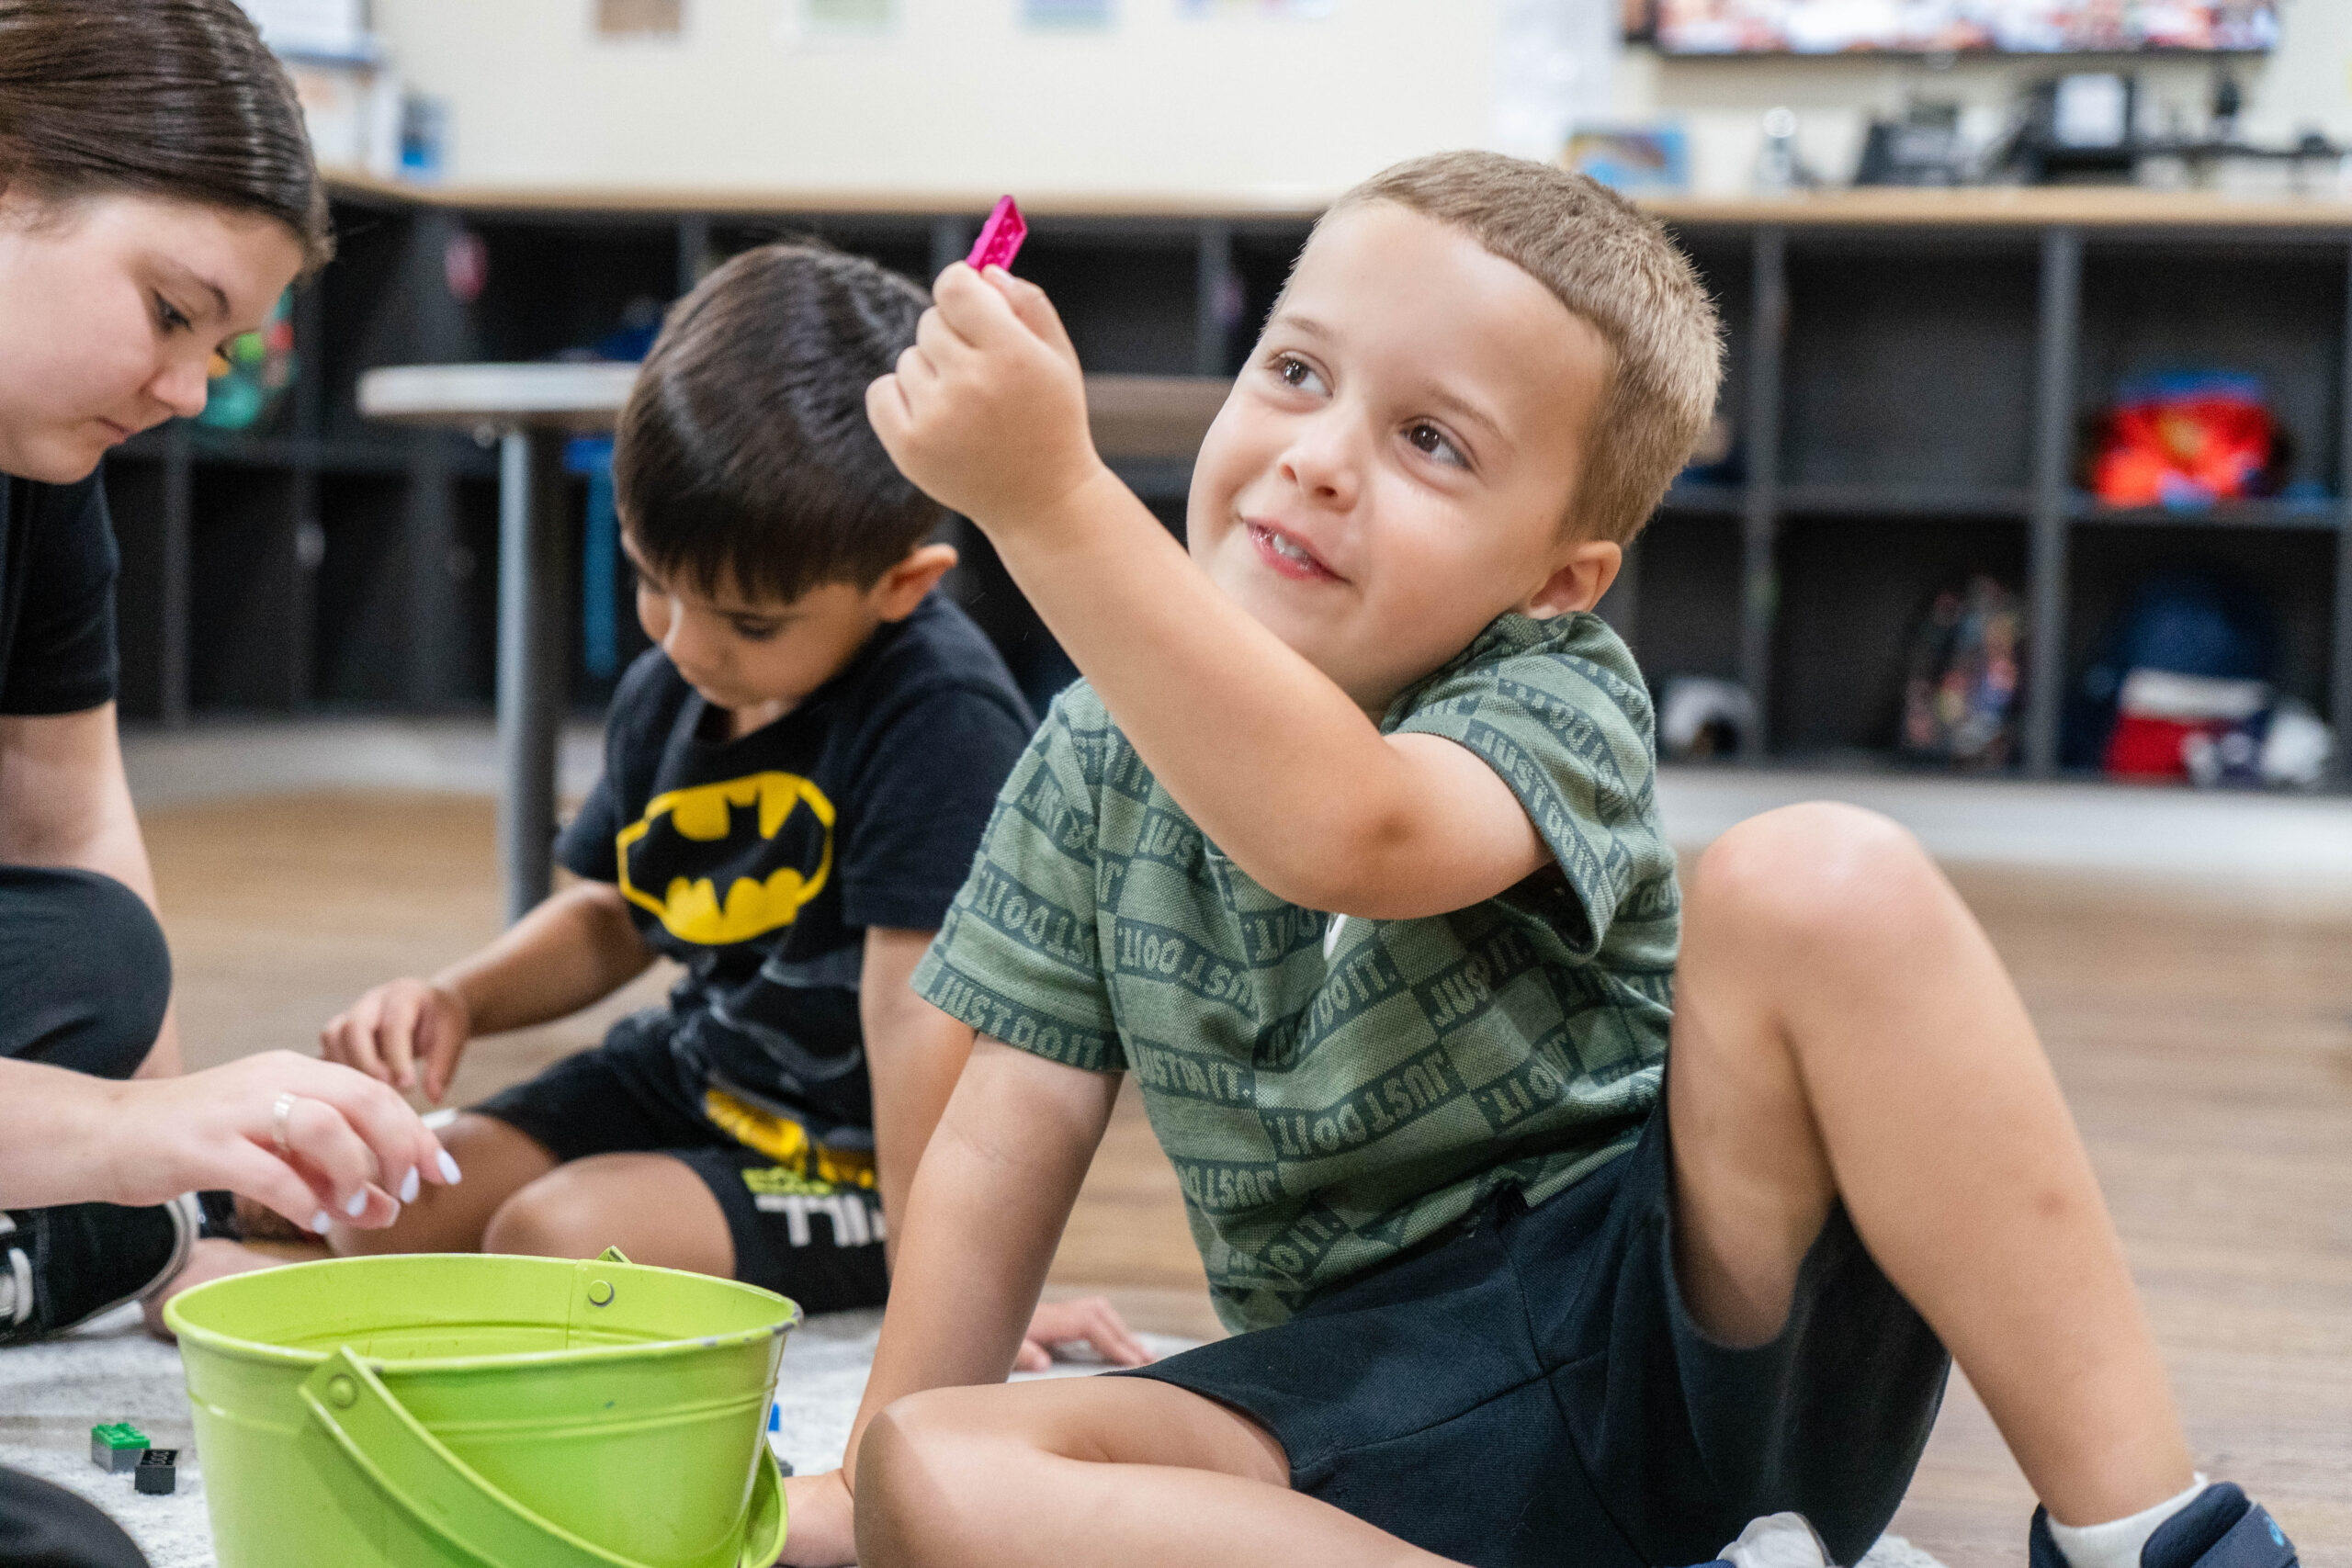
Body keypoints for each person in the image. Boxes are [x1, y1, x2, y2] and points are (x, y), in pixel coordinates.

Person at [775, 152, 2300, 1568]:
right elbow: (1001, 1131)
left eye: (1431, 442)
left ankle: (2153, 1538)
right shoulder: (1087, 755)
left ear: (1560, 578)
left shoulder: (1546, 687)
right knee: (938, 1467)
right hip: (1369, 1396)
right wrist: (863, 1470)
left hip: (1680, 1340)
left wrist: (1050, 499)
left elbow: (1348, 825)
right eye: (1296, 372)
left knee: (1821, 874)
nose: (1314, 460)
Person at [322, 243, 1145, 1371]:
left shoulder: (936, 710)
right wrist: (457, 997)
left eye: (751, 625)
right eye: (656, 586)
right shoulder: (686, 665)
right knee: (382, 1205)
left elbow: (919, 1020)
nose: (689, 646)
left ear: (902, 585)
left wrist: (950, 1279)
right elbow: (618, 913)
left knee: (552, 1237)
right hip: (693, 1075)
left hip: (847, 1156)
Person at [0, 4, 458, 1562]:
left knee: (94, 950)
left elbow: (69, 823)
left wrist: (175, 1205)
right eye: (169, 311)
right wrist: (144, 1142)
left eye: (223, 345)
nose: (190, 388)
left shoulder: (37, 474)